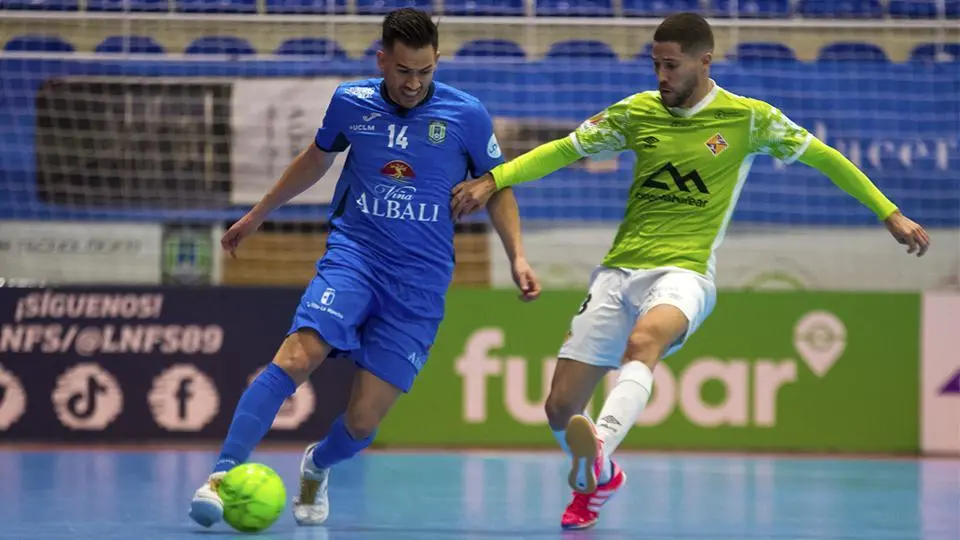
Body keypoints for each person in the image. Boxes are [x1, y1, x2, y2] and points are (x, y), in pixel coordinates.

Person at [451, 11, 930, 531]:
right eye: (655, 64)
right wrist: (493, 179)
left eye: (671, 65)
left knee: (643, 344)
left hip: (685, 274)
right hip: (618, 273)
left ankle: (601, 447)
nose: (660, 76)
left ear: (705, 61)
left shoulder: (749, 119)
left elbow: (827, 159)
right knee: (559, 408)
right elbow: (564, 151)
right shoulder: (637, 112)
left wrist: (890, 212)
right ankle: (602, 475)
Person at [189, 7, 541, 528]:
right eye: (403, 71)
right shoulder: (350, 103)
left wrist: (517, 255)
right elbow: (315, 158)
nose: (414, 83)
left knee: (362, 420)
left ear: (437, 62)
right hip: (356, 257)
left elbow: (498, 187)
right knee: (294, 357)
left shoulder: (466, 115)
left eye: (425, 71)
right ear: (382, 60)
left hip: (419, 284)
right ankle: (220, 475)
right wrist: (259, 214)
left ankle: (318, 464)